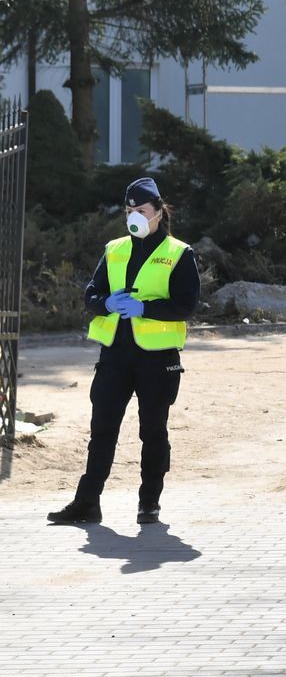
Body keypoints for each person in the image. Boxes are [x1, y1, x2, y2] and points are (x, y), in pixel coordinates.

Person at [48, 178, 200, 526]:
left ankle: (149, 503)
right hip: (115, 355)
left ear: (159, 213)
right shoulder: (115, 249)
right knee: (102, 428)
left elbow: (186, 305)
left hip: (157, 358)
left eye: (142, 211)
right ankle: (87, 502)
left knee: (153, 431)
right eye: (129, 211)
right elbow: (91, 294)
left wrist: (145, 309)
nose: (134, 217)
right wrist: (105, 302)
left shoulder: (179, 253)